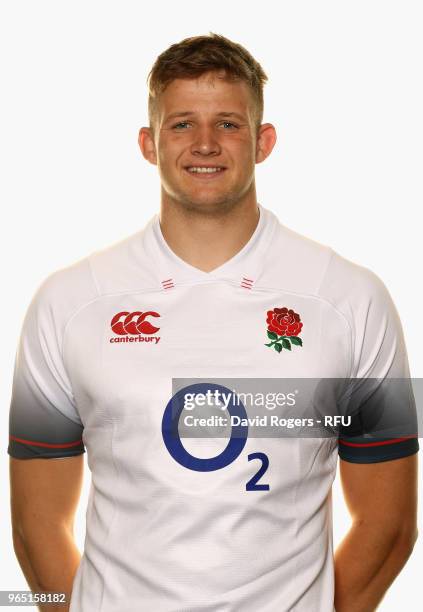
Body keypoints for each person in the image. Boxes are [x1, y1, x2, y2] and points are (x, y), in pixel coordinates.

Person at [8, 33, 418, 612]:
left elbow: (391, 525)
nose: (205, 144)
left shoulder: (352, 298)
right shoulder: (68, 301)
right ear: (149, 144)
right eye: (181, 125)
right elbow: (34, 526)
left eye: (227, 123)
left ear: (263, 141)